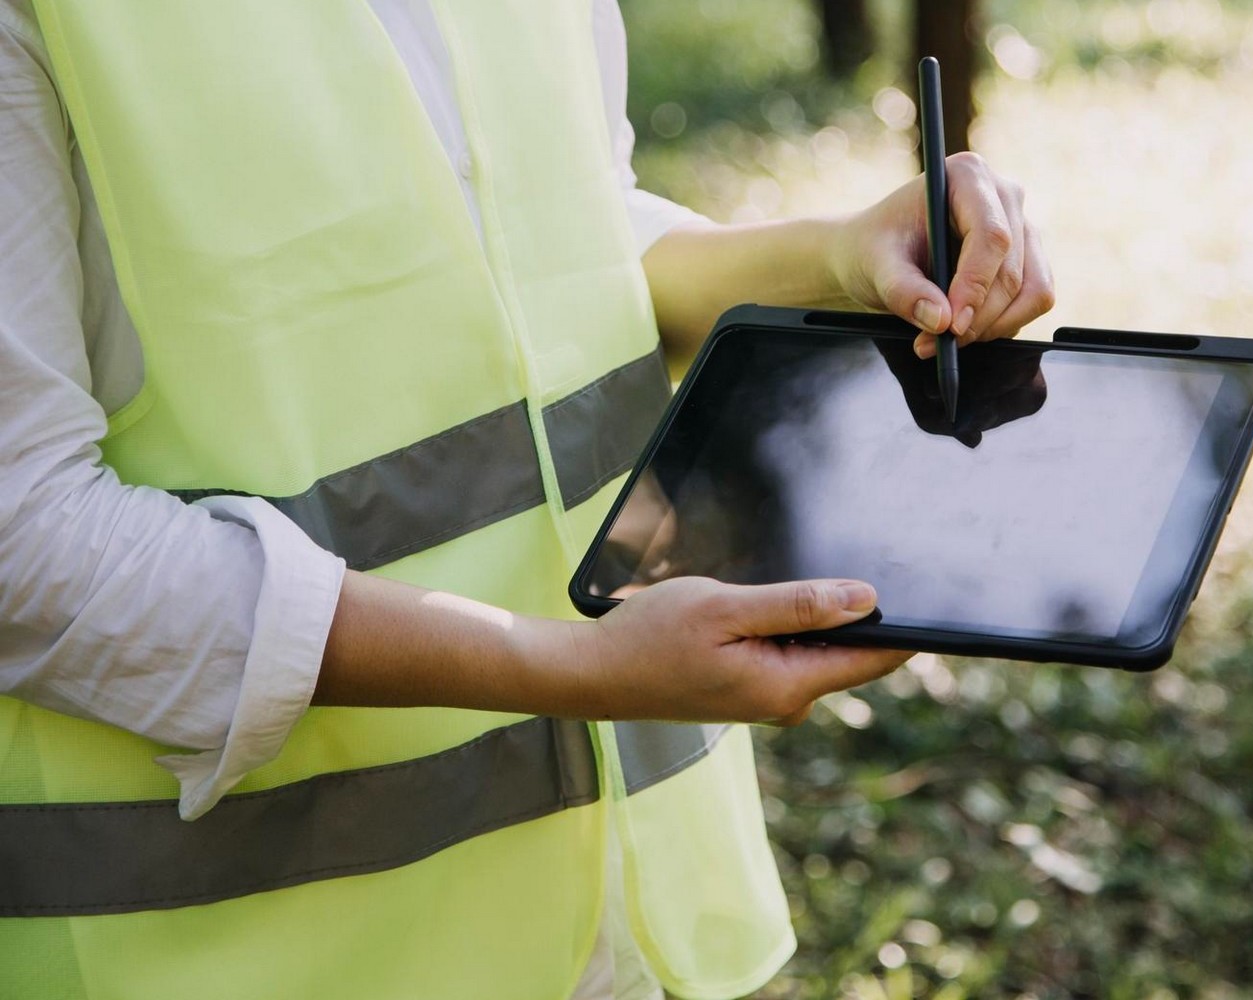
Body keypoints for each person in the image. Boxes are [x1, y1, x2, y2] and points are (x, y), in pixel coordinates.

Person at [0, 2, 1054, 998]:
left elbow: (570, 241)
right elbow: (25, 537)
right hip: (251, 949)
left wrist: (835, 254)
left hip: (614, 911)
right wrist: (580, 667)